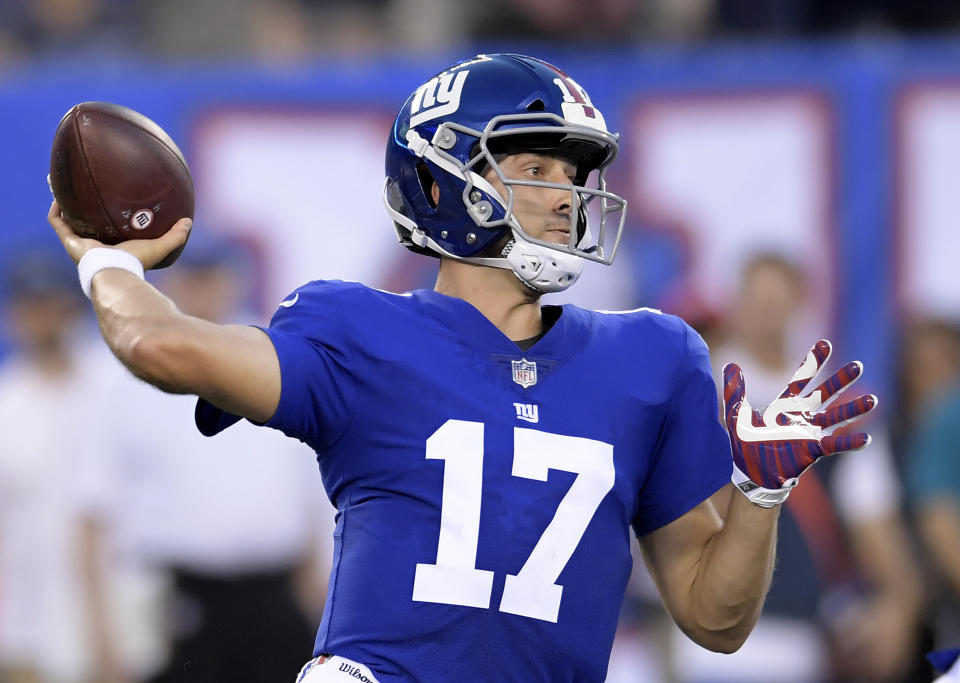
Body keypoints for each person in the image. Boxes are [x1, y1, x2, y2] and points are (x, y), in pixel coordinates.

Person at [47, 53, 876, 682]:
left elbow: (714, 617)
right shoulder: (359, 329)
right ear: (442, 181)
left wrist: (761, 499)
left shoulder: (652, 358)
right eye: (535, 167)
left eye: (576, 173)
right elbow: (158, 344)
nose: (567, 195)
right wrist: (107, 263)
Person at [73, 236, 333, 683]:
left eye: (213, 277)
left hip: (273, 593)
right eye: (193, 277)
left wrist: (320, 609)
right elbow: (91, 515)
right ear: (171, 281)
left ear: (236, 280)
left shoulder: (277, 358)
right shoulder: (118, 373)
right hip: (176, 599)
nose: (204, 289)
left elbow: (314, 500)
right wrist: (102, 639)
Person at [666, 253, 922, 682]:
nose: (766, 314)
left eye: (777, 301)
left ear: (801, 304)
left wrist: (897, 604)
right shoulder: (691, 389)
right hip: (689, 632)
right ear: (735, 302)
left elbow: (876, 525)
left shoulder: (833, 412)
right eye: (756, 299)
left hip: (796, 639)